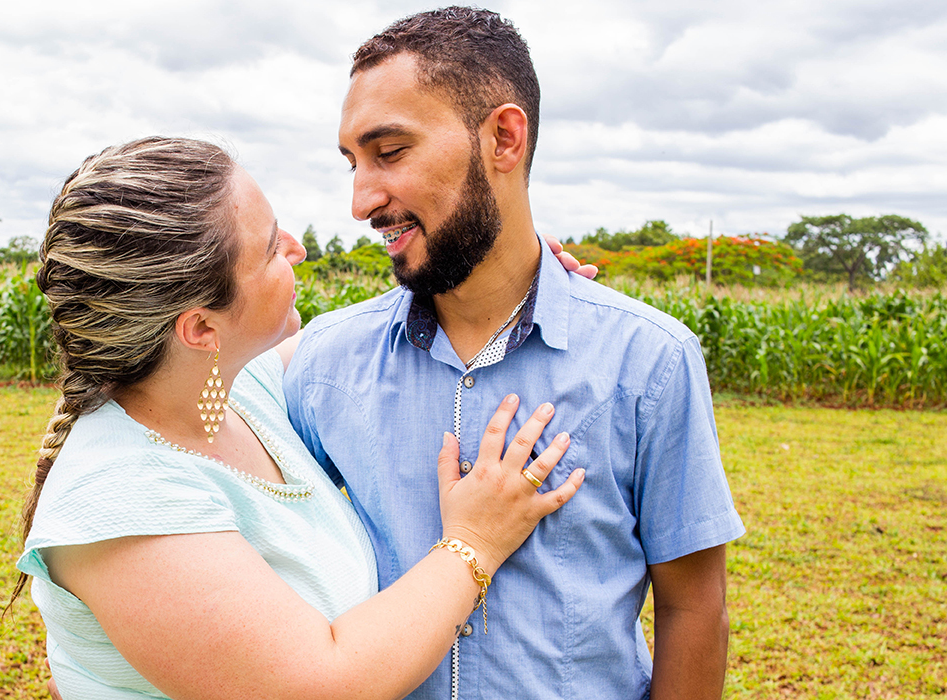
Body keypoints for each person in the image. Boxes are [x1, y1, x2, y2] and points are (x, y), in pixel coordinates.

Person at [11, 136, 589, 699]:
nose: (297, 248)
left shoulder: (235, 390)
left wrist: (501, 268)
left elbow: (356, 340)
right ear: (202, 328)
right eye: (269, 249)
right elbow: (324, 682)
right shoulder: (123, 496)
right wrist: (474, 542)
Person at [284, 7, 746, 700]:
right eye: (352, 162)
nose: (361, 200)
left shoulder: (649, 360)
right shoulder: (321, 364)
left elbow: (693, 607)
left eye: (391, 152)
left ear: (504, 137)